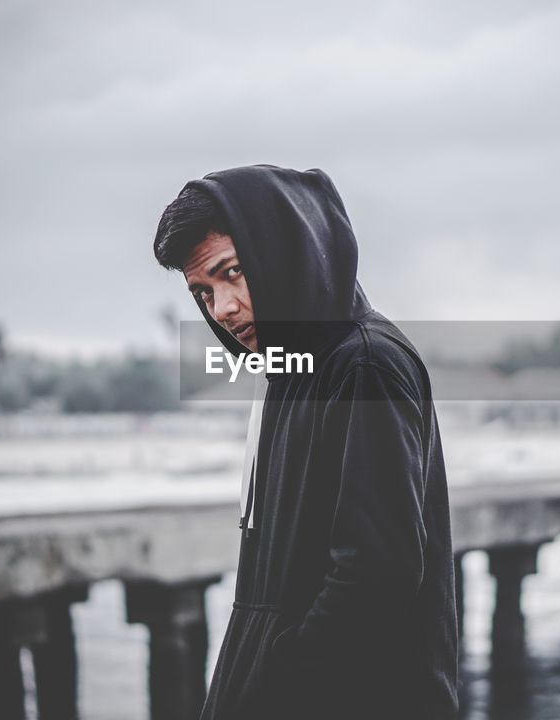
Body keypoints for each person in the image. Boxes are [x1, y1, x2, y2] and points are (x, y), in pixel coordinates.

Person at [152, 165, 459, 720]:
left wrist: (277, 684)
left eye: (234, 273)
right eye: (203, 292)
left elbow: (376, 574)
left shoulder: (364, 363)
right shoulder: (290, 367)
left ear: (286, 251)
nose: (221, 308)